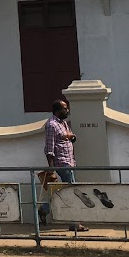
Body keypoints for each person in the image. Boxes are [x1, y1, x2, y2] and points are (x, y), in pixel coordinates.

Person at [44, 99, 87, 232]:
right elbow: (49, 149)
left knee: (61, 192)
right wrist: (51, 170)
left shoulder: (63, 124)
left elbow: (69, 138)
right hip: (62, 163)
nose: (67, 110)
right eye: (65, 108)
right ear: (57, 111)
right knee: (72, 192)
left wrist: (70, 136)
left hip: (70, 161)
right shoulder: (52, 125)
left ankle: (43, 209)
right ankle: (75, 223)